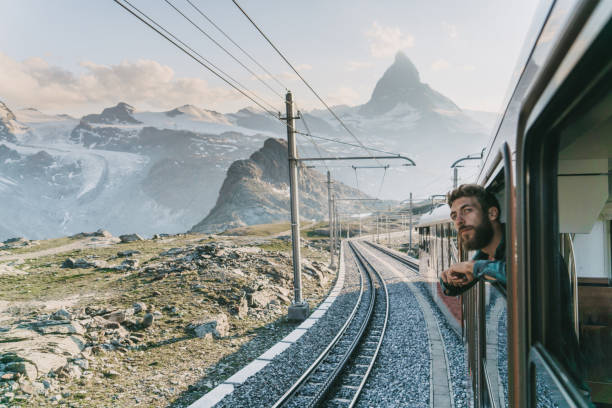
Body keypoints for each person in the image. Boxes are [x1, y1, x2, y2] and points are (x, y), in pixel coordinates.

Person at [440, 184, 506, 295]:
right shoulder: (485, 252)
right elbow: (451, 290)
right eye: (454, 216)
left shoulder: (524, 241)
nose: (458, 221)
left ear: (492, 213)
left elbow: (520, 273)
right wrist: (449, 279)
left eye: (467, 210)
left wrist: (471, 267)